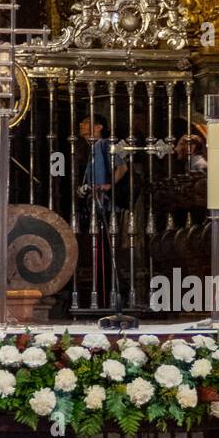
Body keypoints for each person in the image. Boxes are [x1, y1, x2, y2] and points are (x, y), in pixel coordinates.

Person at [77, 113, 126, 306]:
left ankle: (109, 296)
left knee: (105, 248)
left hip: (105, 204)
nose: (81, 125)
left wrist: (107, 186)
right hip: (95, 203)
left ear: (98, 127)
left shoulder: (104, 144)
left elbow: (122, 168)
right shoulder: (89, 149)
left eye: (86, 122)